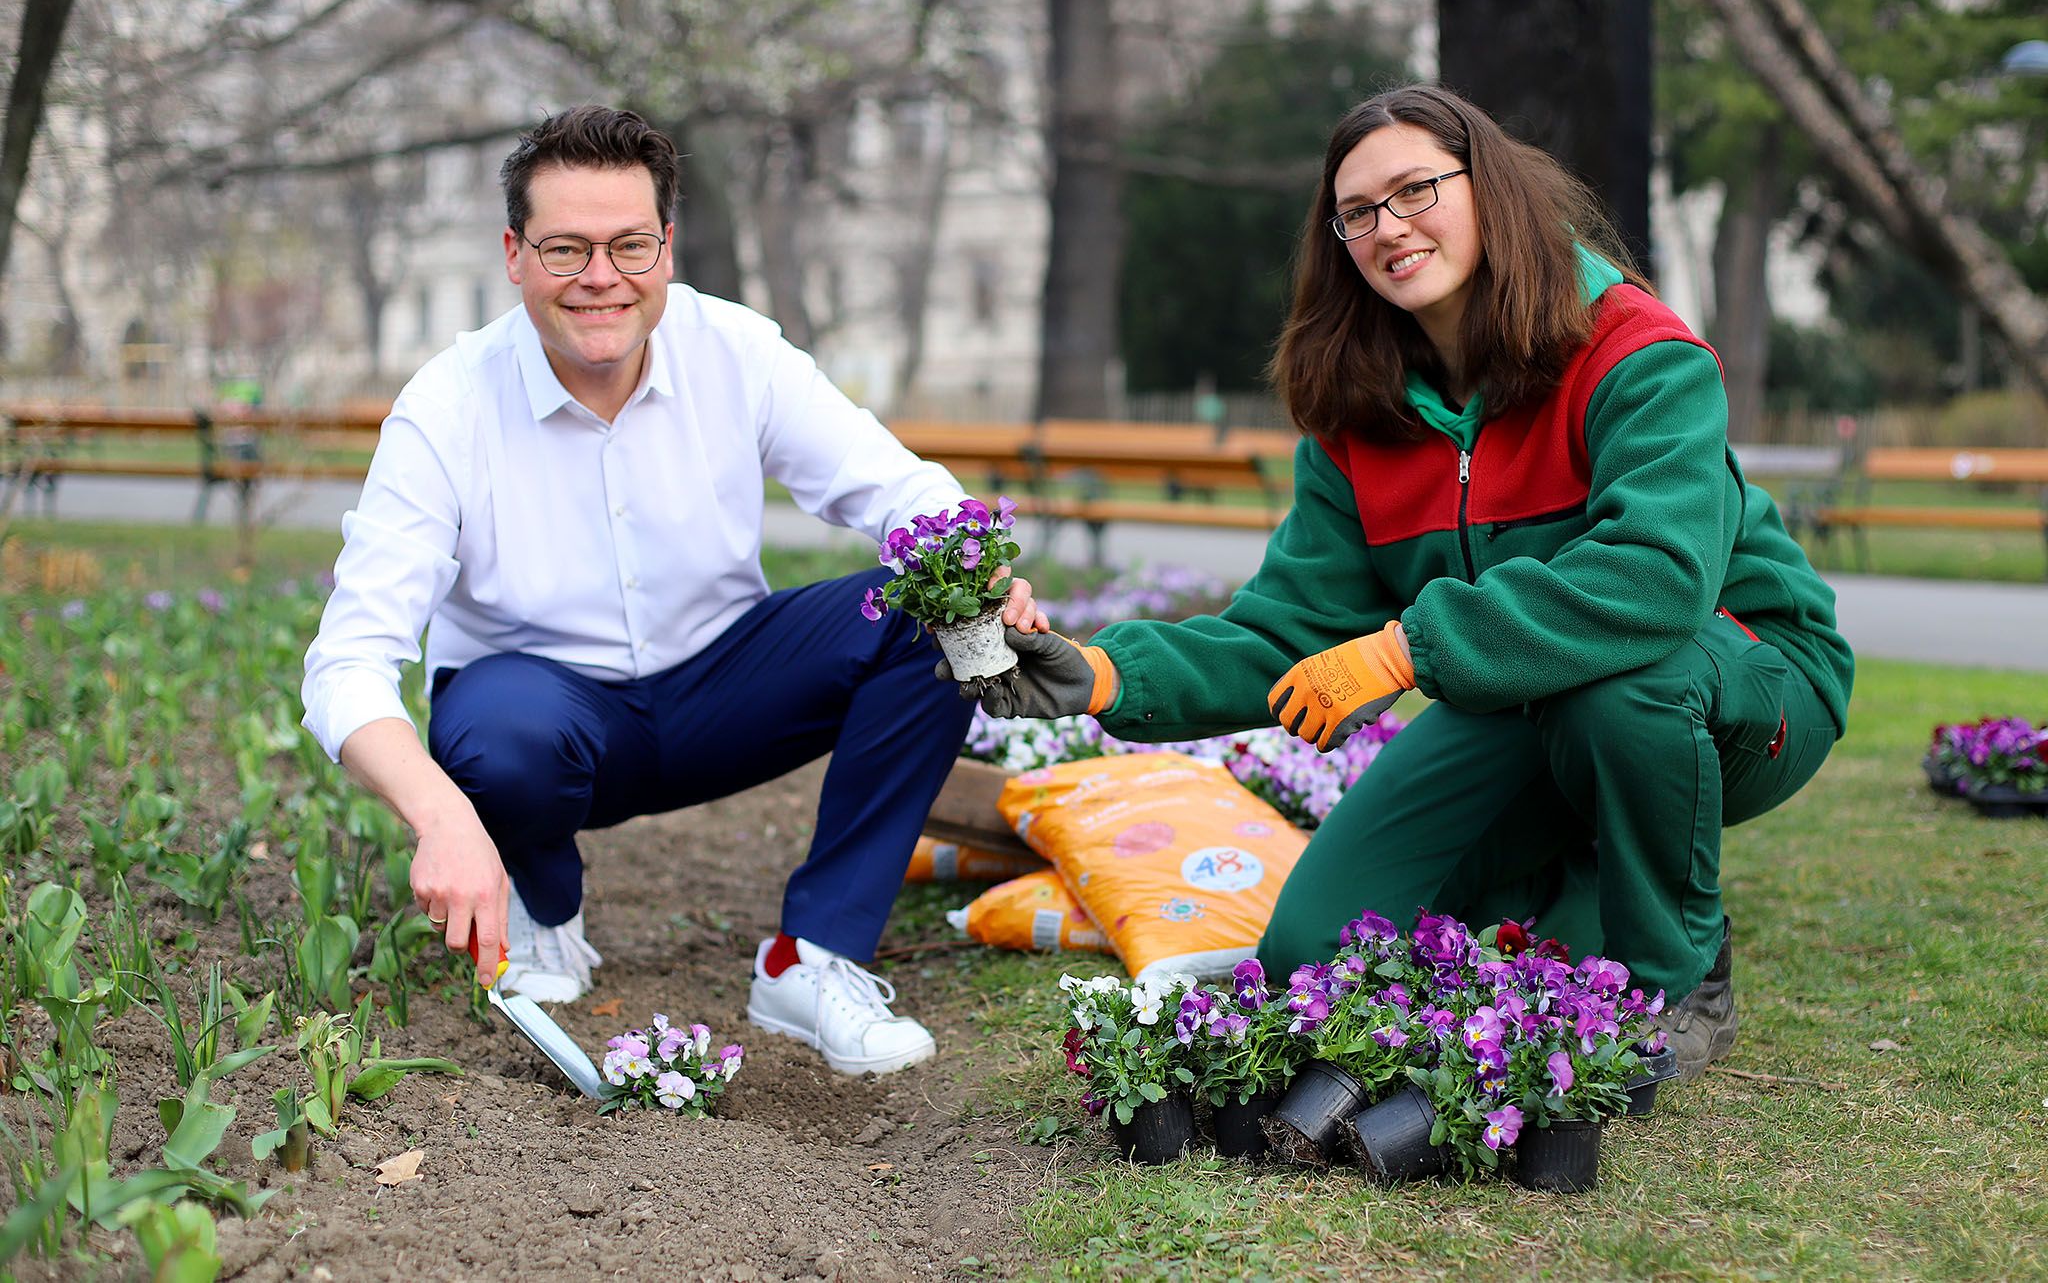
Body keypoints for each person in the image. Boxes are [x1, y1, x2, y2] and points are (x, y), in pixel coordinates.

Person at [968, 84, 1853, 1081]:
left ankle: (1672, 976)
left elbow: (1656, 577)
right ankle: (1574, 879)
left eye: (1414, 191)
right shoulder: (1362, 417)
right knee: (1311, 950)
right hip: (1526, 701)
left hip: (1739, 680)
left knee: (1622, 692)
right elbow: (1286, 632)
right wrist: (1090, 674)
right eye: (1355, 214)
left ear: (1490, 188)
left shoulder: (1632, 353)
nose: (1387, 227)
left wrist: (1403, 651)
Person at [303, 105, 1047, 1077]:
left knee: (938, 611)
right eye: (565, 248)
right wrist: (442, 819)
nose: (600, 277)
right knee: (497, 729)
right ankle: (546, 912)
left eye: (628, 244)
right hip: (548, 718)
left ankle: (812, 959)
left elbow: (899, 491)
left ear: (666, 246)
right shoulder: (447, 405)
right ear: (514, 254)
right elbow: (347, 664)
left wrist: (980, 571)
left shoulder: (735, 350)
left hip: (722, 690)